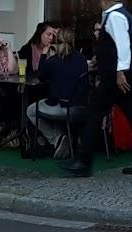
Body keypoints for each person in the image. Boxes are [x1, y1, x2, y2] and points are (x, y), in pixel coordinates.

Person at [62, 0, 132, 178]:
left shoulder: (115, 17)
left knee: (94, 115)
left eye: (100, 1)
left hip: (114, 77)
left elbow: (122, 46)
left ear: (106, 1)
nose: (99, 4)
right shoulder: (121, 15)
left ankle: (83, 162)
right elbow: (115, 46)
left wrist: (120, 72)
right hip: (120, 74)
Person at [26, 27, 88, 158]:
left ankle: (57, 139)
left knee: (31, 110)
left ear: (56, 42)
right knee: (51, 108)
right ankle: (65, 140)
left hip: (63, 107)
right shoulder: (82, 59)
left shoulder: (53, 61)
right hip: (81, 107)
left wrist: (44, 53)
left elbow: (40, 76)